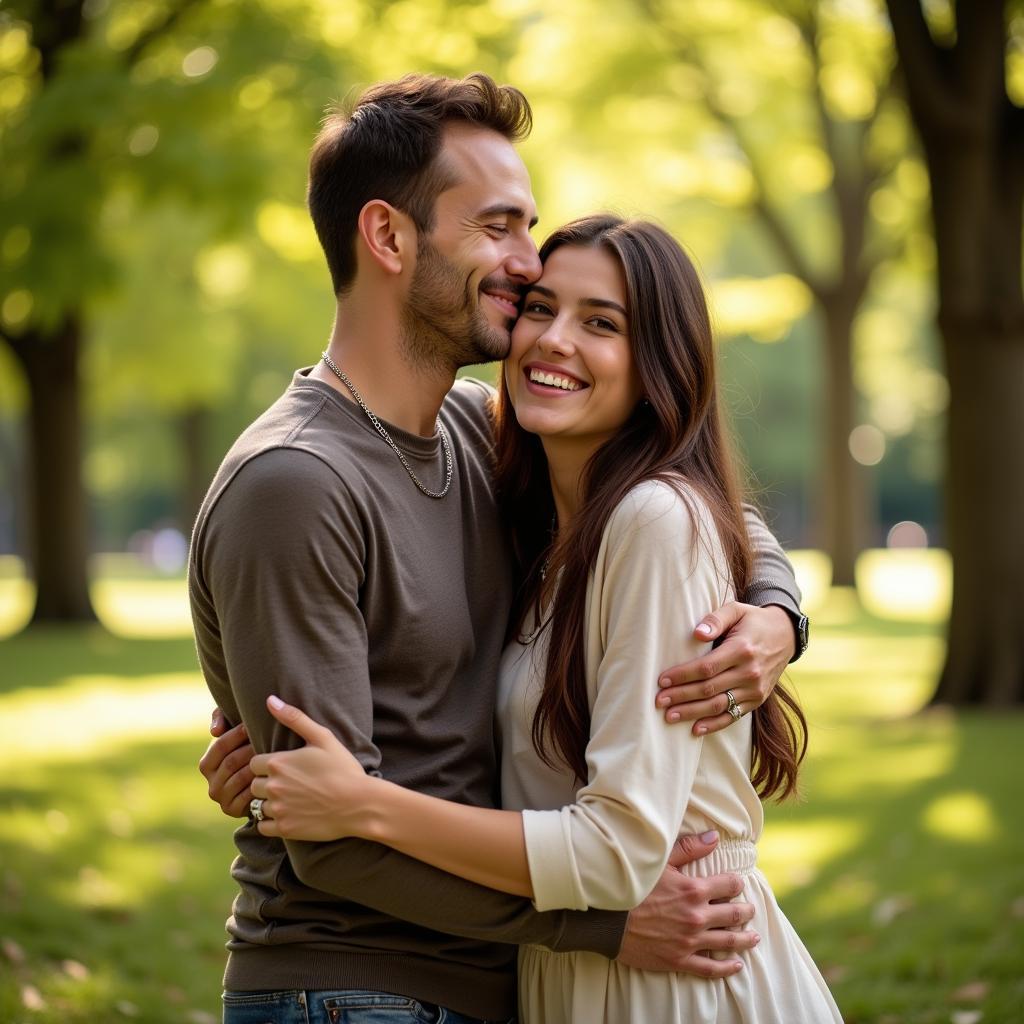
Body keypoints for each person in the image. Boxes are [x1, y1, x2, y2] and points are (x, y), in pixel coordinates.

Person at [190, 73, 808, 1024]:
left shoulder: (483, 431)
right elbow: (331, 834)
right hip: (354, 988)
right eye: (499, 226)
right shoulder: (298, 482)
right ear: (389, 236)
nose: (527, 261)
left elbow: (684, 492)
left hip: (490, 983)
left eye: (530, 226)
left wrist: (775, 610)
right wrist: (603, 927)